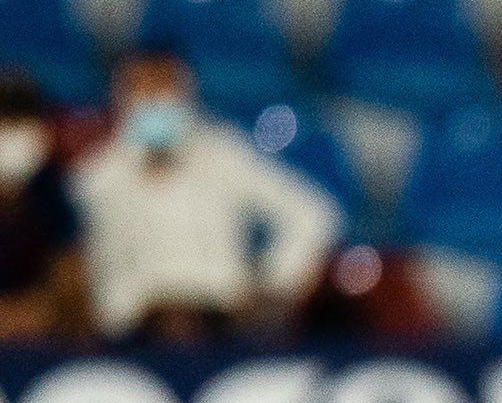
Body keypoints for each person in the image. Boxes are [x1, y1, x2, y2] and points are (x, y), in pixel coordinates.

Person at [71, 48, 340, 341]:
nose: (155, 103)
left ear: (186, 94)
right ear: (121, 98)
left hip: (226, 326)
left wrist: (273, 285)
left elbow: (314, 214)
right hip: (139, 335)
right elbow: (100, 268)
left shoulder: (223, 154)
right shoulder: (96, 179)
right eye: (143, 91)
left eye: (165, 90)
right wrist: (123, 321)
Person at [0, 70, 88, 340]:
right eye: (4, 123)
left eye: (23, 123)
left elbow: (72, 287)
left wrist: (39, 311)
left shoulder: (53, 195)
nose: (11, 136)